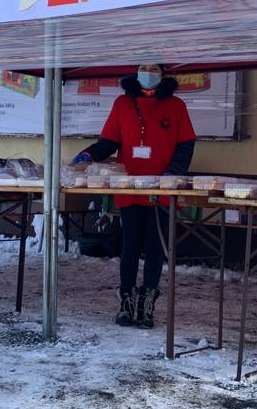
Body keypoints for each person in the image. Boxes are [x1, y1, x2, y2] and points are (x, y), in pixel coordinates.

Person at [72, 63, 196, 328]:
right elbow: (109, 142)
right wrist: (88, 154)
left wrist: (173, 173)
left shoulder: (176, 106)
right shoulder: (122, 104)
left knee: (155, 248)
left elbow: (186, 144)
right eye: (143, 67)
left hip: (161, 191)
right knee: (129, 247)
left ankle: (147, 305)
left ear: (162, 73)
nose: (148, 72)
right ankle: (126, 304)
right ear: (136, 72)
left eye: (153, 68)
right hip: (129, 189)